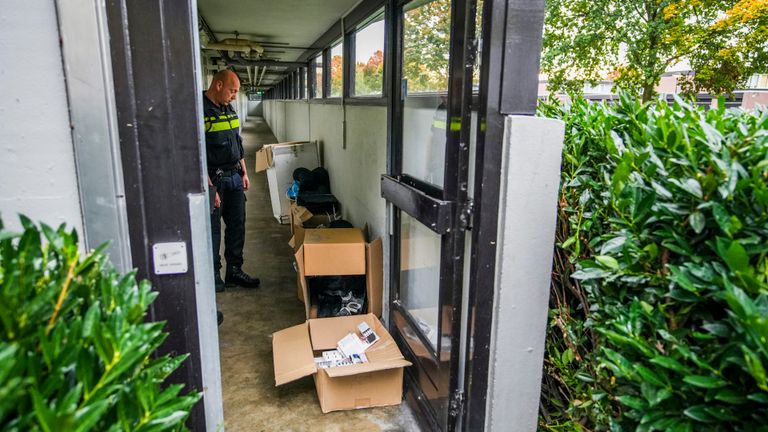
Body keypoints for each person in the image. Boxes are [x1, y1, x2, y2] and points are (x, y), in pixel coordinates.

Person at [203, 69, 260, 296]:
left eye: (236, 92)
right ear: (218, 85)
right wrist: (209, 187)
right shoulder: (200, 110)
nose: (235, 96)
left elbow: (238, 143)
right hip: (214, 179)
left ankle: (234, 271)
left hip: (235, 177)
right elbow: (196, 153)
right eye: (232, 91)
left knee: (237, 226)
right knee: (213, 230)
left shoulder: (228, 108)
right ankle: (214, 275)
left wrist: (244, 173)